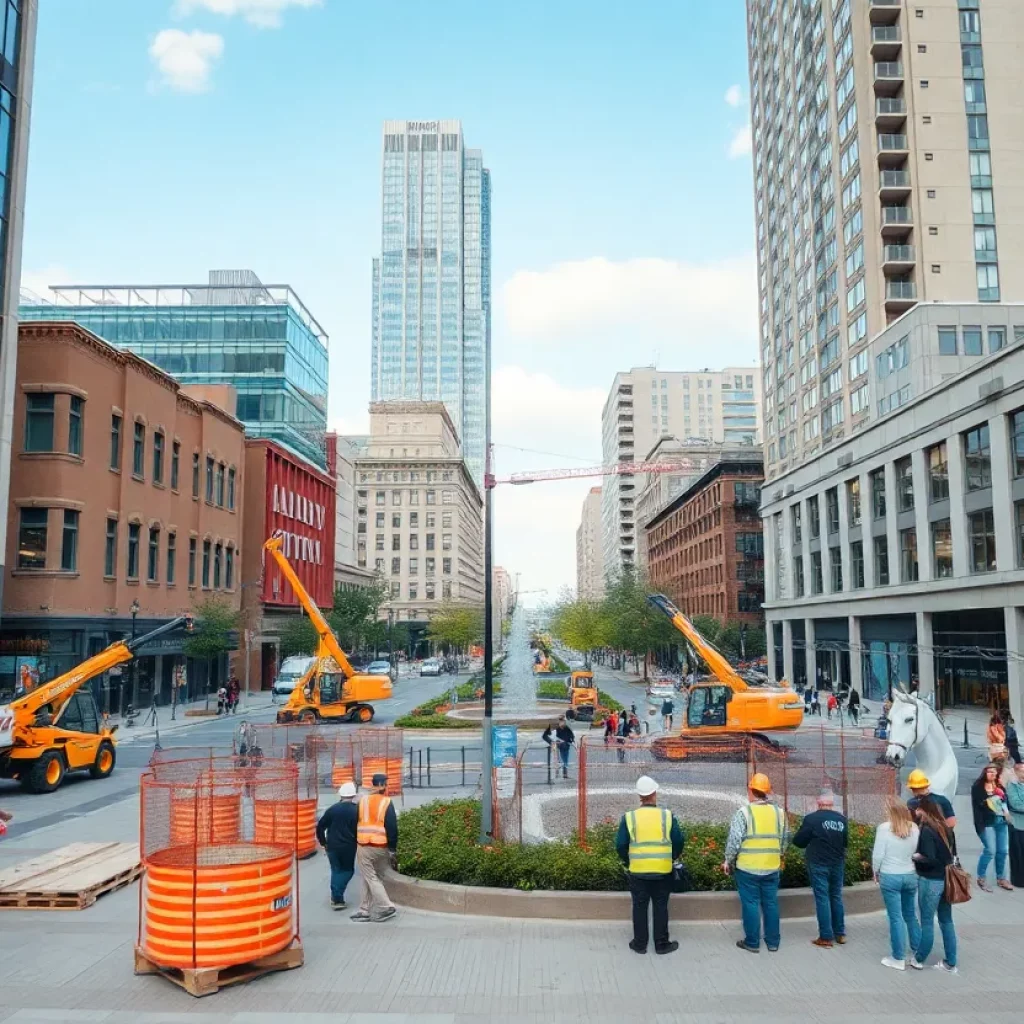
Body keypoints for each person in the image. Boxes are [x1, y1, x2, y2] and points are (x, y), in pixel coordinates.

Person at [614, 775, 684, 956]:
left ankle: (639, 944)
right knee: (661, 906)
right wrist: (671, 857)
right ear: (654, 794)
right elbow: (678, 840)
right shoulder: (666, 816)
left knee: (639, 906)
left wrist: (629, 861)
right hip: (662, 871)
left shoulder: (630, 818)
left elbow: (620, 844)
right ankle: (661, 944)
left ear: (640, 796)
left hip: (638, 872)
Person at [723, 772, 788, 953]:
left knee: (751, 904)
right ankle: (773, 942)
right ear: (767, 792)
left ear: (751, 790)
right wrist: (778, 855)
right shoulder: (779, 813)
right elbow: (784, 840)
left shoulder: (744, 813)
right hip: (771, 866)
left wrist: (728, 861)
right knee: (771, 903)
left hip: (748, 868)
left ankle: (752, 942)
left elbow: (734, 841)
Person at [792, 789, 848, 948]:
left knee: (822, 898)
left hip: (818, 863)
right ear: (832, 803)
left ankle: (825, 936)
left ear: (818, 801)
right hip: (837, 863)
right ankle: (840, 933)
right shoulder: (841, 820)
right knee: (836, 896)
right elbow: (845, 843)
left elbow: (799, 841)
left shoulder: (812, 819)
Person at [872, 796, 921, 971]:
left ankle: (898, 957)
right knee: (911, 914)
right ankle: (917, 953)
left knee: (895, 917)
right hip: (910, 874)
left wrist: (875, 871)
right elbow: (916, 852)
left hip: (890, 875)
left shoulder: (884, 828)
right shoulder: (914, 828)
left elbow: (878, 854)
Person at [911, 795, 958, 973]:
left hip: (931, 880)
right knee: (946, 921)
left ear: (923, 810)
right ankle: (951, 961)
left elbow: (929, 858)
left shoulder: (927, 830)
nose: (915, 812)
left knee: (927, 921)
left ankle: (919, 958)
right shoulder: (946, 829)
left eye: (917, 809)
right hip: (947, 880)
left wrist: (915, 857)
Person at [351, 773, 398, 923]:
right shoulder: (387, 802)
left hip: (365, 846)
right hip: (381, 847)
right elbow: (392, 827)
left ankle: (386, 906)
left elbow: (354, 823)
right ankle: (364, 910)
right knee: (369, 877)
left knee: (370, 877)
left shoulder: (362, 801)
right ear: (383, 785)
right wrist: (392, 849)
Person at [316, 781, 359, 910]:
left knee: (336, 870)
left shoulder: (332, 810)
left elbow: (320, 827)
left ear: (340, 795)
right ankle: (337, 896)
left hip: (332, 846)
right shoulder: (357, 811)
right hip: (349, 846)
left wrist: (323, 842)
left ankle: (337, 897)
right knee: (348, 871)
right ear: (353, 795)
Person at [971, 762, 1012, 892]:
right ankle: (981, 877)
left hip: (1001, 822)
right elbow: (980, 804)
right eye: (989, 772)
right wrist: (994, 797)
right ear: (985, 773)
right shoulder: (978, 787)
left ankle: (1001, 878)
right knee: (990, 850)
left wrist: (1006, 812)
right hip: (987, 822)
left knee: (1003, 851)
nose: (992, 774)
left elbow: (1005, 802)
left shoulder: (1000, 787)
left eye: (994, 772)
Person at [1004, 760, 1024, 888]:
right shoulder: (1012, 786)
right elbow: (1016, 804)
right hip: (1017, 825)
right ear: (1016, 772)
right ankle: (1019, 880)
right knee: (1018, 854)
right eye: (1021, 771)